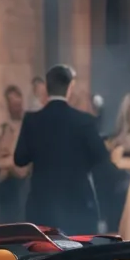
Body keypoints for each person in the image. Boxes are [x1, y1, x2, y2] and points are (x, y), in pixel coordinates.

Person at [13, 64, 109, 234]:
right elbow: (101, 157)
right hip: (78, 205)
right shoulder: (85, 121)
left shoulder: (32, 120)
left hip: (42, 206)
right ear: (70, 87)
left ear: (46, 88)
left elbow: (20, 159)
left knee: (43, 256)